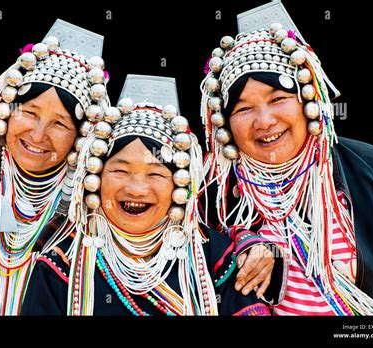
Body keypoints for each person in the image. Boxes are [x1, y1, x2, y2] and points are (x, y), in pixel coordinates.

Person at [199, 2, 373, 315]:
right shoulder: (215, 196)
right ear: (225, 124)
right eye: (243, 109)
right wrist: (241, 238)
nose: (264, 121)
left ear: (309, 99)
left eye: (278, 99)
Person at [21, 75, 272, 315]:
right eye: (120, 170)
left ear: (180, 185)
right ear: (95, 177)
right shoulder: (62, 265)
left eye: (155, 174)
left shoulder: (216, 260)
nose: (137, 189)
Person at [0, 19, 110, 315]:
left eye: (60, 123)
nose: (38, 135)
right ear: (4, 111)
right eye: (29, 112)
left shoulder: (86, 213)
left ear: (81, 138)